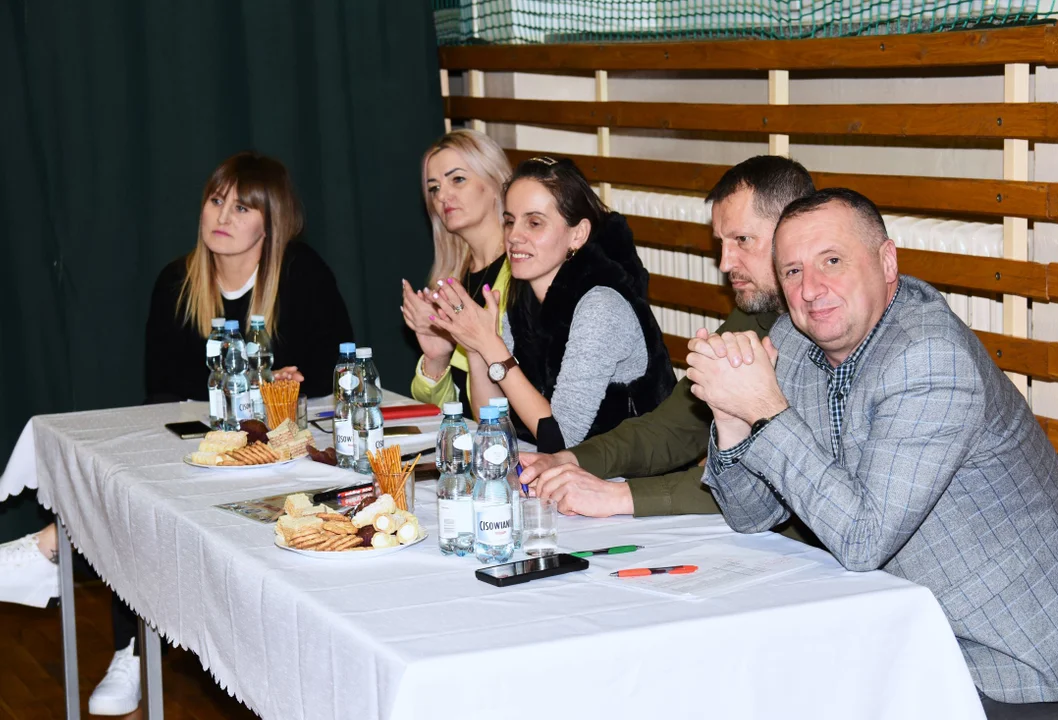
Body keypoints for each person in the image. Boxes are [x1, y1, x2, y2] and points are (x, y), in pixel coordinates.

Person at [691, 188, 1058, 718]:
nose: (811, 290)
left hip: (999, 657)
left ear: (887, 261)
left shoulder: (928, 359)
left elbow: (861, 538)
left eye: (832, 261)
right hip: (898, 626)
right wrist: (732, 416)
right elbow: (751, 513)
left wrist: (765, 407)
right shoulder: (796, 341)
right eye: (793, 272)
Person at [0, 151, 353, 716]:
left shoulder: (302, 273)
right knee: (138, 488)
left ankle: (47, 547)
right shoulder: (178, 281)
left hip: (285, 448)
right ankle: (131, 649)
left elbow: (340, 371)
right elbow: (162, 390)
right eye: (217, 201)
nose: (223, 216)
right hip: (200, 442)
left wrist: (291, 385)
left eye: (242, 207)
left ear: (273, 222)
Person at [518, 156, 814, 528]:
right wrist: (571, 460)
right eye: (721, 243)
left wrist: (617, 496)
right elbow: (675, 426)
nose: (724, 263)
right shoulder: (757, 315)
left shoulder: (829, 327)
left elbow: (769, 484)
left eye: (742, 240)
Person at [427, 156, 675, 451]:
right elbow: (489, 422)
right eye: (509, 221)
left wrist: (493, 348)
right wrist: (476, 348)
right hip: (567, 472)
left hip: (634, 481)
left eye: (534, 223)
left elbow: (560, 438)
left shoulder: (600, 306)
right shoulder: (521, 298)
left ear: (577, 234)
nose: (514, 236)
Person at [404, 129, 512, 420]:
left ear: (495, 183)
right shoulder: (451, 281)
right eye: (434, 188)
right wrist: (436, 358)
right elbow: (447, 415)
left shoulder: (523, 273)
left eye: (458, 179)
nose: (443, 196)